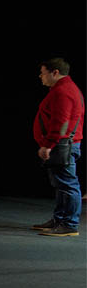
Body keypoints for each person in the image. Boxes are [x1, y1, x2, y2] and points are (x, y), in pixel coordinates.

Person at [33, 58, 84, 237]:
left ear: (55, 72)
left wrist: (48, 144)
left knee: (68, 184)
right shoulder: (64, 89)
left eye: (43, 73)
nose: (40, 76)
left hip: (63, 145)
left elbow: (61, 122)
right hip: (63, 144)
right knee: (62, 184)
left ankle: (69, 224)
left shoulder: (63, 91)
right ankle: (60, 219)